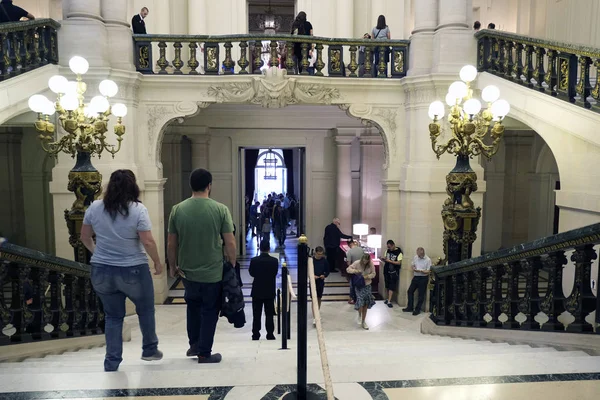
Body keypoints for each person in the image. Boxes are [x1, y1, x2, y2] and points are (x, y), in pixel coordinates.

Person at [80, 170, 163, 372]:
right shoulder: (138, 209)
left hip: (101, 270)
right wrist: (158, 262)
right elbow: (147, 241)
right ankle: (150, 349)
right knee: (145, 310)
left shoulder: (95, 207)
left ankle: (112, 361)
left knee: (113, 316)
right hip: (133, 268)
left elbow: (84, 237)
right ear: (133, 186)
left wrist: (97, 252)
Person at [167, 168, 236, 364]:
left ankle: (194, 344)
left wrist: (172, 266)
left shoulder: (177, 210)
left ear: (191, 185)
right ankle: (204, 352)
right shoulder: (220, 209)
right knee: (209, 311)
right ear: (209, 186)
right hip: (212, 272)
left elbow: (172, 243)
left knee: (193, 307)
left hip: (187, 272)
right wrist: (232, 262)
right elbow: (229, 241)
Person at [249, 240, 279, 340]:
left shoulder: (254, 260)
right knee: (269, 314)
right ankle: (270, 333)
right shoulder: (274, 261)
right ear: (269, 248)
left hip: (257, 289)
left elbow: (251, 273)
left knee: (256, 314)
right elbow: (275, 273)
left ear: (260, 248)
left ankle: (255, 334)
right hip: (269, 290)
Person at [347, 253, 376, 330]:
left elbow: (373, 274)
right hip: (359, 286)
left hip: (367, 285)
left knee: (365, 303)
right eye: (364, 261)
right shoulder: (357, 263)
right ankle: (359, 314)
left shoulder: (371, 264)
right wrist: (355, 271)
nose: (365, 262)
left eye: (366, 261)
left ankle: (364, 321)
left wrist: (367, 276)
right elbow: (348, 269)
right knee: (360, 301)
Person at [403, 247, 432, 316]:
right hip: (416, 277)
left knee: (421, 295)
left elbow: (429, 271)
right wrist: (413, 268)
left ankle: (417, 309)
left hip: (423, 278)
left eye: (419, 254)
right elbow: (412, 264)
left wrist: (421, 271)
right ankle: (410, 307)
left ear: (422, 253)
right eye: (417, 254)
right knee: (410, 291)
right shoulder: (416, 257)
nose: (418, 255)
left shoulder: (428, 260)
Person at [380, 240, 403, 308]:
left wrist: (389, 261)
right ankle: (387, 298)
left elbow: (399, 263)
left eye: (390, 247)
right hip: (387, 270)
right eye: (388, 247)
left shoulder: (399, 252)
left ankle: (389, 300)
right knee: (387, 285)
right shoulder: (387, 251)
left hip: (394, 272)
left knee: (391, 286)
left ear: (393, 245)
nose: (389, 248)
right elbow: (385, 258)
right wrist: (383, 259)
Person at [311, 246, 330, 326]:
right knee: (313, 298)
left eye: (321, 254)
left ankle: (317, 311)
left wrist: (324, 275)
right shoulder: (311, 260)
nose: (320, 256)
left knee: (319, 297)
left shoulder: (324, 261)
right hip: (313, 281)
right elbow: (307, 271)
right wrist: (312, 276)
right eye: (319, 254)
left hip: (321, 281)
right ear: (315, 253)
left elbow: (327, 271)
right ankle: (314, 316)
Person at [345, 240, 364, 305]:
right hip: (362, 270)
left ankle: (353, 299)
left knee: (352, 285)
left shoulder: (349, 252)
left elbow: (349, 263)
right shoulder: (361, 250)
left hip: (354, 271)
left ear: (349, 245)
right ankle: (361, 298)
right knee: (361, 285)